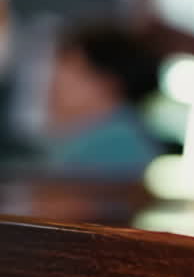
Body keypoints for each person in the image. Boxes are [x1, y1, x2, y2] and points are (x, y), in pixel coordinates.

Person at [41, 22, 163, 177]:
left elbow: (59, 200)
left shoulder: (116, 145)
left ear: (108, 83)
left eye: (73, 70)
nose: (55, 82)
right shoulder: (100, 135)